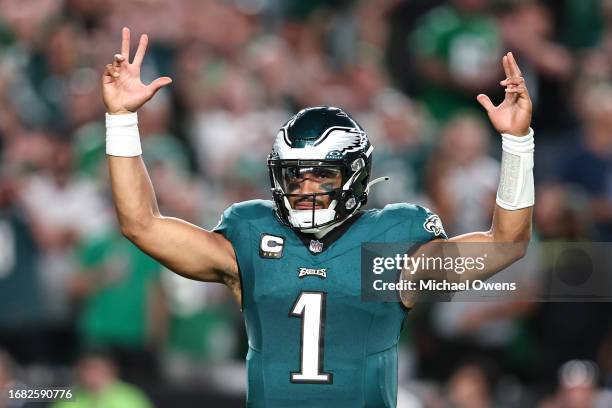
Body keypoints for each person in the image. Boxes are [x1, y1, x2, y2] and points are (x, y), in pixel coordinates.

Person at [101, 27, 533, 407]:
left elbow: (507, 243)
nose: (306, 189)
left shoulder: (390, 247)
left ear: (355, 176)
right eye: (295, 176)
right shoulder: (252, 236)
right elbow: (142, 224)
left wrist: (517, 144)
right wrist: (121, 119)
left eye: (322, 175)